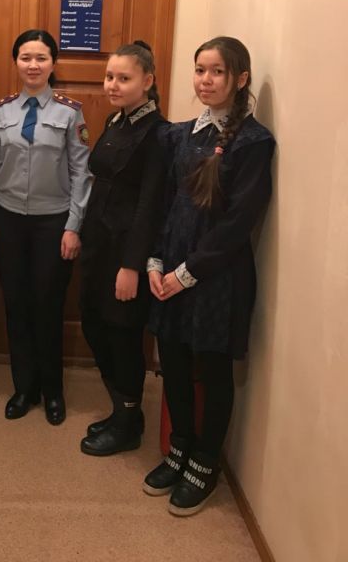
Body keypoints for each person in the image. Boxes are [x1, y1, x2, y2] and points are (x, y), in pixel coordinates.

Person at [145, 36, 275, 516]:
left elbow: (239, 223)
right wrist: (156, 261)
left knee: (213, 370)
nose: (206, 79)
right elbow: (166, 204)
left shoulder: (254, 142)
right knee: (174, 362)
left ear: (240, 79)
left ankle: (205, 461)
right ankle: (179, 446)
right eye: (200, 70)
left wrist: (188, 273)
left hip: (216, 276)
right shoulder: (180, 135)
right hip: (171, 268)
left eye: (217, 71)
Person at [0, 29, 92, 425]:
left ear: (53, 63)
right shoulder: (2, 111)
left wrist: (73, 226)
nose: (33, 65)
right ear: (16, 62)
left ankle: (52, 390)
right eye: (26, 57)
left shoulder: (70, 113)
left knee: (48, 306)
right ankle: (24, 387)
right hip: (7, 220)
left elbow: (82, 172)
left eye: (41, 57)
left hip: (53, 222)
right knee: (16, 305)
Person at [79, 41, 167, 456]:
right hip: (97, 245)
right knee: (94, 326)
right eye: (109, 77)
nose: (112, 85)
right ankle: (121, 410)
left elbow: (150, 206)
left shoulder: (158, 134)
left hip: (125, 254)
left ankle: (129, 421)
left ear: (147, 81)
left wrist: (132, 265)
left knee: (122, 335)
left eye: (124, 78)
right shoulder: (115, 120)